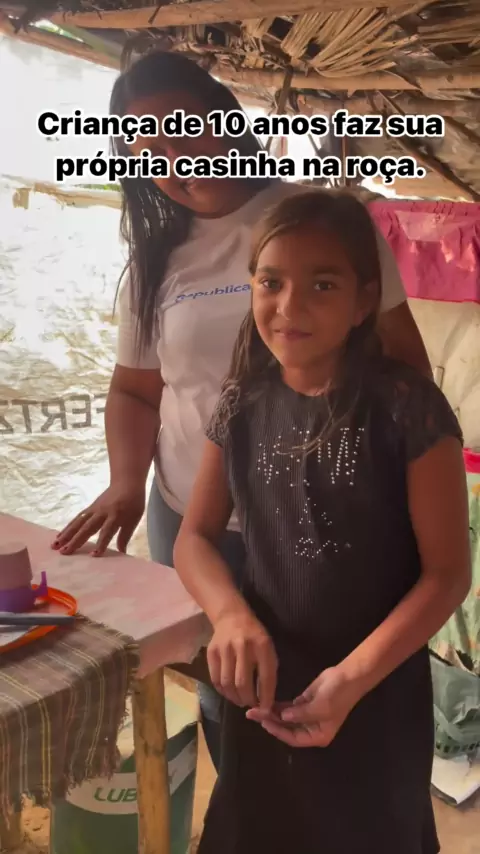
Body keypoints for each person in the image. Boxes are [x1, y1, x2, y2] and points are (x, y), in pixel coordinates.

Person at [52, 50, 432, 771]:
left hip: (318, 514)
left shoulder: (320, 223)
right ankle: (246, 811)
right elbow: (135, 389)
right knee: (225, 692)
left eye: (188, 128)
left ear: (227, 121)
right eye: (149, 147)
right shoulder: (155, 261)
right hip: (193, 521)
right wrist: (126, 482)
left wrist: (385, 489)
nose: (176, 156)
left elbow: (405, 366)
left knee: (328, 691)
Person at [173, 189, 471, 854]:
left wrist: (351, 680)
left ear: (365, 301)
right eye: (271, 282)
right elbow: (194, 538)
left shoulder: (408, 409)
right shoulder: (242, 402)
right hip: (266, 681)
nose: (289, 305)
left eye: (322, 284)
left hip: (374, 688)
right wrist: (230, 615)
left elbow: (448, 574)